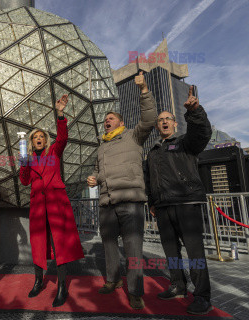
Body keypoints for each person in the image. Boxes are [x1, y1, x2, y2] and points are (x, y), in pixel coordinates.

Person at [87, 71, 157, 309]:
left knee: (133, 246)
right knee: (108, 244)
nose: (107, 121)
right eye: (105, 120)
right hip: (107, 201)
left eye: (111, 119)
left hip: (130, 200)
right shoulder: (102, 147)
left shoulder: (133, 137)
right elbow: (98, 170)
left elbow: (149, 119)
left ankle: (135, 291)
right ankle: (113, 280)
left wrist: (144, 90)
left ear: (121, 122)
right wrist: (94, 178)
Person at [146, 86, 213, 315]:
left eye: (168, 119)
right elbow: (149, 180)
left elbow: (202, 133)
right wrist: (152, 203)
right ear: (157, 126)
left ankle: (202, 295)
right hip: (163, 208)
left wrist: (195, 112)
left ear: (175, 124)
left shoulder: (186, 142)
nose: (164, 122)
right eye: (160, 120)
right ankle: (178, 285)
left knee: (195, 254)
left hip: (186, 204)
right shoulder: (153, 152)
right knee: (171, 252)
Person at [19, 94, 84, 308]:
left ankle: (62, 287)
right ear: (31, 142)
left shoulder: (54, 152)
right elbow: (25, 181)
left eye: (41, 136)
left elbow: (63, 137)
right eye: (34, 137)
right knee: (38, 243)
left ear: (45, 140)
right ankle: (38, 281)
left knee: (60, 245)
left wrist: (60, 114)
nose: (38, 139)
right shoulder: (28, 158)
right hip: (38, 206)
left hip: (56, 203)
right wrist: (23, 163)